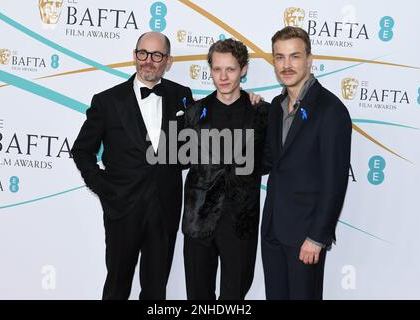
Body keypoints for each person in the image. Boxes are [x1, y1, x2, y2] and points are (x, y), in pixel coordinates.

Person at [71, 32, 194, 300]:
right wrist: (103, 186)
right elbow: (81, 150)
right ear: (134, 55)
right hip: (122, 207)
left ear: (168, 61)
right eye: (143, 54)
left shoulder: (182, 96)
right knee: (117, 286)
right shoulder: (107, 101)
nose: (148, 61)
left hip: (164, 207)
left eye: (157, 55)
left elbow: (195, 144)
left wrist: (246, 100)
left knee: (155, 290)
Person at [261, 26, 352, 300]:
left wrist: (317, 237)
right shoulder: (276, 107)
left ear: (310, 59)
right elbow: (266, 162)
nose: (286, 65)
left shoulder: (331, 110)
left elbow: (335, 181)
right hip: (273, 230)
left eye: (294, 56)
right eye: (279, 57)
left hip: (305, 236)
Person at [182, 38, 269, 299]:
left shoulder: (262, 113)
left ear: (243, 69)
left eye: (230, 69)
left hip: (240, 222)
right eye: (217, 69)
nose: (223, 76)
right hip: (199, 221)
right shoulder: (195, 113)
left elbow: (267, 161)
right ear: (210, 70)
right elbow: (181, 159)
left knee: (235, 297)